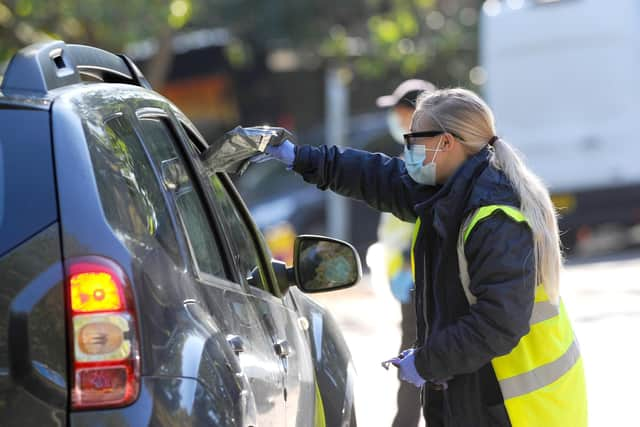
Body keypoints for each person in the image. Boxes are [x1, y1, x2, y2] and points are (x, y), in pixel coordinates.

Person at [255, 87, 587, 426]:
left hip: (524, 411)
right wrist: (298, 157)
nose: (407, 149)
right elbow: (377, 176)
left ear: (446, 142)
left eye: (414, 140)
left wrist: (428, 363)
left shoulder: (495, 220)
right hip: (488, 399)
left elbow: (497, 324)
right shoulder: (449, 192)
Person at [374, 78, 435, 427]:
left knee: (416, 353)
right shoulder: (415, 159)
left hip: (419, 275)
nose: (396, 121)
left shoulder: (428, 163)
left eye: (400, 113)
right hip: (409, 274)